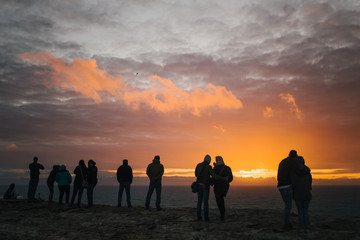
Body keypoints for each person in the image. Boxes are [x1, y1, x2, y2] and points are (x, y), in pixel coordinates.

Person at [277, 150, 310, 230]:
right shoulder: (292, 162)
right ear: (295, 156)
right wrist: (307, 171)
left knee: (287, 205)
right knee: (288, 206)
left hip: (280, 186)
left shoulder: (283, 161)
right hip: (287, 186)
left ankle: (287, 222)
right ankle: (286, 224)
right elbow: (299, 172)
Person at [195, 154, 227, 222]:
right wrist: (224, 178)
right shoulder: (209, 167)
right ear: (209, 161)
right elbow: (215, 176)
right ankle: (206, 218)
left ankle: (199, 217)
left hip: (199, 185)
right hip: (205, 186)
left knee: (199, 202)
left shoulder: (198, 165)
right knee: (205, 202)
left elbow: (195, 174)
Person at [291, 156, 312, 233]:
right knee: (305, 211)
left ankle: (302, 227)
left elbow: (292, 183)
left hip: (297, 193)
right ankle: (307, 226)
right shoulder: (307, 171)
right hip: (306, 193)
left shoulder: (293, 172)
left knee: (300, 211)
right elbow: (310, 183)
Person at [213, 156, 233, 221]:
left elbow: (213, 178)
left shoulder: (215, 169)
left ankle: (222, 215)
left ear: (216, 161)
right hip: (225, 187)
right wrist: (226, 181)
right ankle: (222, 215)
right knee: (221, 200)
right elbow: (231, 179)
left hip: (217, 187)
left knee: (219, 201)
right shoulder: (227, 168)